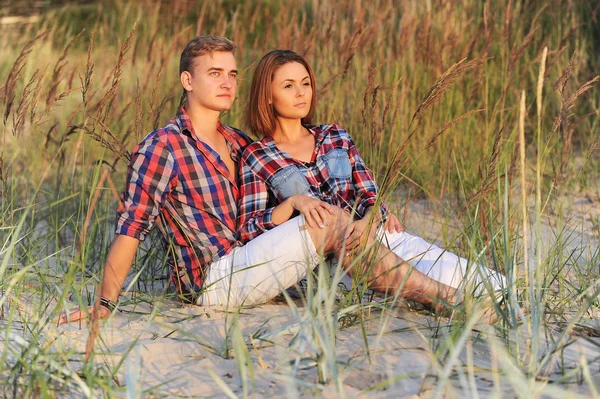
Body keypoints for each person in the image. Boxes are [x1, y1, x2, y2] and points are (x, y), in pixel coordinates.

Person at [57, 36, 460, 325]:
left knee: (332, 219)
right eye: (214, 73)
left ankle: (449, 289)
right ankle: (442, 299)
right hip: (212, 281)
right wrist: (105, 305)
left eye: (232, 74)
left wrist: (371, 210)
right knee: (328, 220)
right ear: (187, 81)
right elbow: (132, 228)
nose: (227, 82)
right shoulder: (162, 147)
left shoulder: (238, 144)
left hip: (256, 259)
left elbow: (267, 210)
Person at [238, 49, 506, 301]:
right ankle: (447, 302)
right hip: (333, 262)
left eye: (305, 83)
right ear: (268, 95)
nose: (301, 93)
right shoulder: (257, 156)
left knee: (496, 286)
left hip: (379, 235)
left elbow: (369, 194)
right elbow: (250, 229)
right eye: (288, 86)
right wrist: (294, 202)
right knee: (446, 284)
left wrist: (369, 220)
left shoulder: (335, 135)